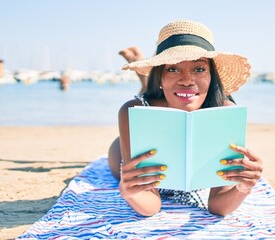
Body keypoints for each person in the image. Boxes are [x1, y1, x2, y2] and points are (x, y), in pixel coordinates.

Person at [107, 19, 263, 217]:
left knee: (179, 91)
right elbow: (150, 207)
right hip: (118, 153)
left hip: (171, 94)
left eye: (199, 69)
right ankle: (146, 82)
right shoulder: (134, 111)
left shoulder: (224, 113)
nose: (187, 79)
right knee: (155, 96)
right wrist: (129, 193)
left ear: (211, 76)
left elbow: (219, 206)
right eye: (172, 69)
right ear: (161, 76)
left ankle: (146, 81)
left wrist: (243, 188)